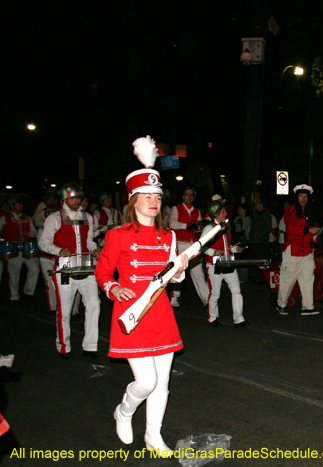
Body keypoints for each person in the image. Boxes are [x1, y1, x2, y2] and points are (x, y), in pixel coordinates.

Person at [94, 136, 189, 457]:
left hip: (161, 314)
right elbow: (103, 273)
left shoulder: (169, 235)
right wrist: (113, 288)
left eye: (156, 196)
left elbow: (175, 278)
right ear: (133, 201)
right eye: (145, 196)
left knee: (162, 384)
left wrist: (180, 268)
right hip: (131, 315)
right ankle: (124, 410)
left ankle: (153, 436)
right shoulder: (117, 235)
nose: (152, 201)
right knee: (146, 382)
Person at [39, 182, 101, 359]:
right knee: (65, 309)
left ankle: (90, 346)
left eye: (78, 198)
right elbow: (44, 242)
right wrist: (58, 250)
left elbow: (89, 240)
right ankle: (64, 346)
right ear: (64, 200)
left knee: (94, 304)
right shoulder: (55, 218)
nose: (77, 201)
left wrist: (94, 248)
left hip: (86, 268)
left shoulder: (88, 217)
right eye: (73, 198)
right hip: (65, 269)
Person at [275, 184, 321, 316]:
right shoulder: (291, 210)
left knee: (308, 278)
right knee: (287, 279)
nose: (303, 199)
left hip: (306, 251)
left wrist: (315, 233)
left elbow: (310, 227)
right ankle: (281, 304)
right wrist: (308, 230)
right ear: (297, 197)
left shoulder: (309, 210)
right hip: (293, 250)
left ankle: (308, 306)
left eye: (305, 196)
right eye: (301, 196)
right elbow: (291, 228)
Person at [202, 201, 246, 328]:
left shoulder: (226, 227)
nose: (225, 213)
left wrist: (234, 249)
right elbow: (201, 247)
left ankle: (239, 319)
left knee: (236, 290)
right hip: (214, 264)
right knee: (215, 293)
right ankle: (212, 318)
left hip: (228, 262)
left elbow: (226, 245)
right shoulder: (209, 228)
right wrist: (213, 251)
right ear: (214, 214)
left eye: (225, 211)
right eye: (221, 212)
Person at [168, 187, 209, 307]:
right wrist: (188, 225)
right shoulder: (176, 208)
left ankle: (207, 299)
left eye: (191, 195)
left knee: (198, 273)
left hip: (193, 244)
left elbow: (199, 227)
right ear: (183, 196)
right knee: (178, 270)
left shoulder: (197, 211)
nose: (189, 197)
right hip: (180, 243)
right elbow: (172, 223)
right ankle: (175, 297)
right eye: (187, 194)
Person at [0, 195, 40, 301]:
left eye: (21, 203)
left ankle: (29, 292)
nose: (21, 205)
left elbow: (34, 232)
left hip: (26, 248)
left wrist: (29, 233)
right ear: (12, 205)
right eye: (18, 203)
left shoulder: (27, 218)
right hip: (13, 249)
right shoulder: (5, 218)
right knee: (14, 273)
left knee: (35, 268)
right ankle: (14, 295)